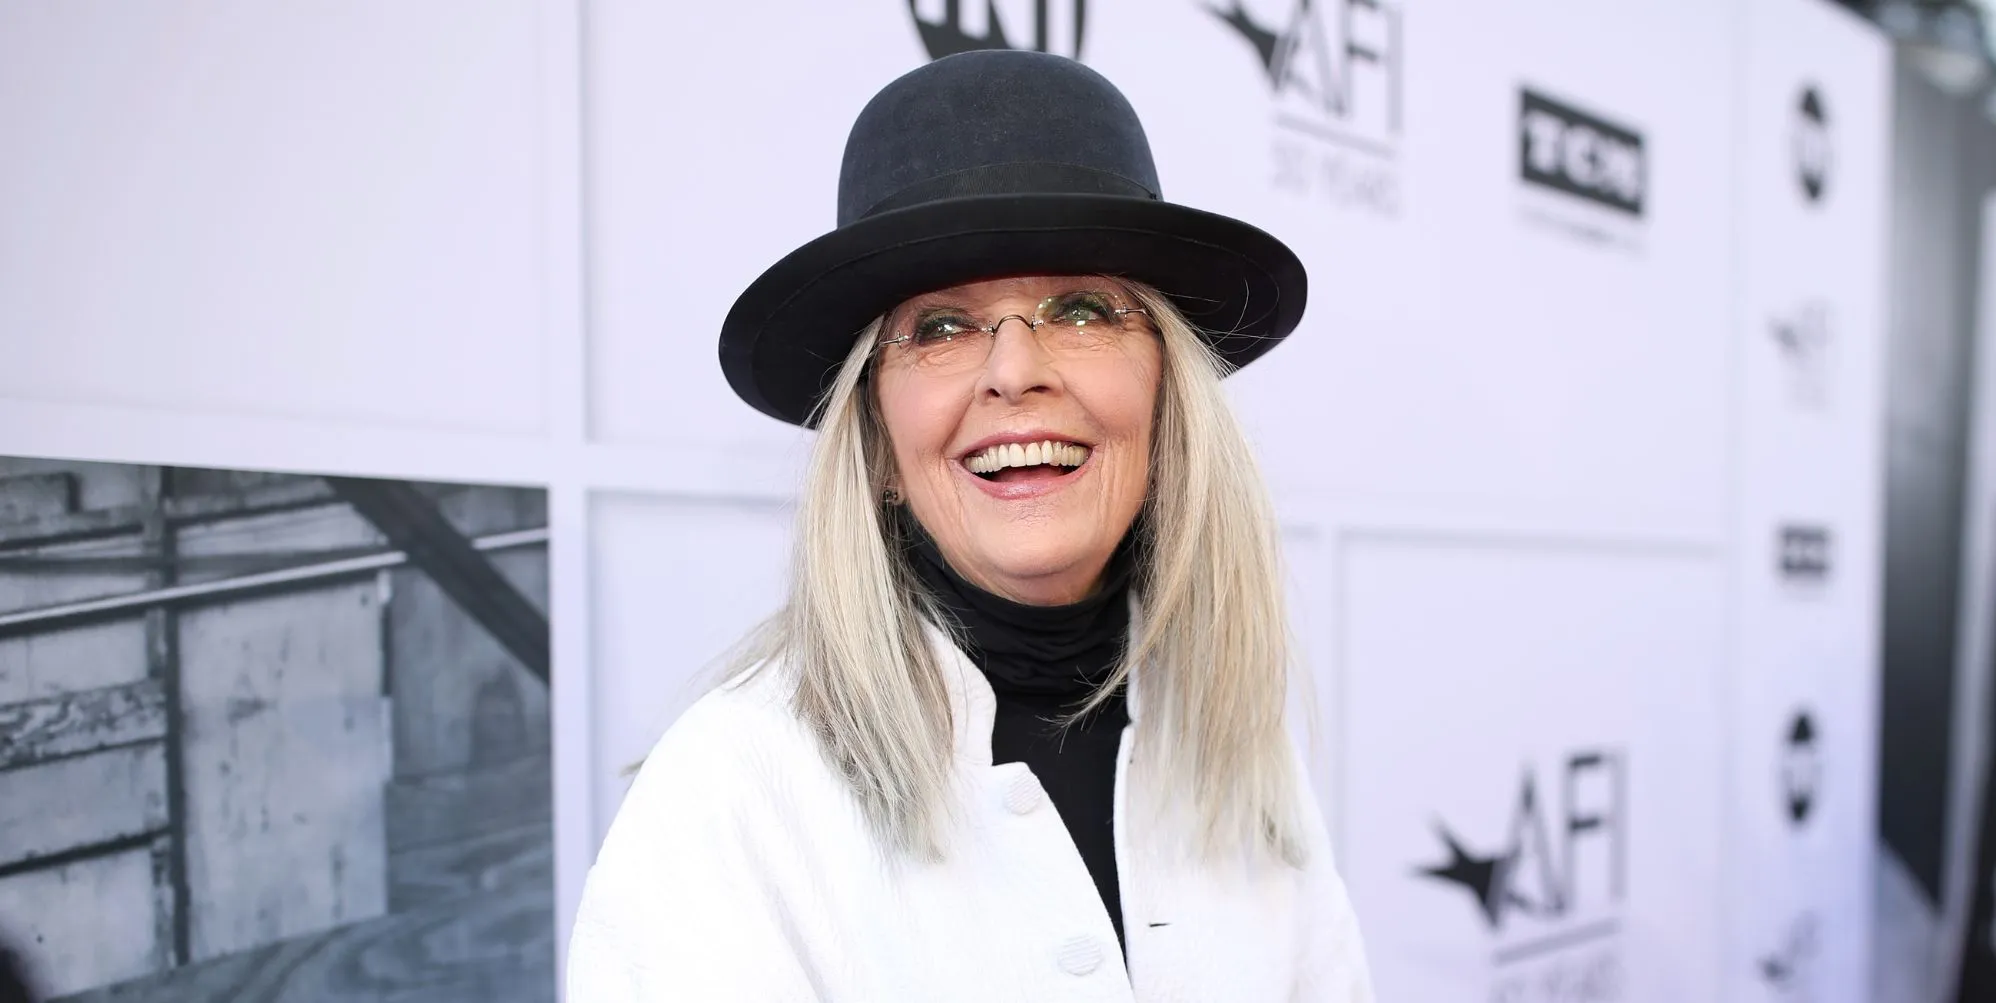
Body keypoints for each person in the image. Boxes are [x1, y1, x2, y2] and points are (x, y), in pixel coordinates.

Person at [567, 48, 1374, 1001]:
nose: (1014, 369)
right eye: (941, 329)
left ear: (1167, 402)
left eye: (1081, 310)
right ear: (875, 443)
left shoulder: (1237, 738)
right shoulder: (733, 792)